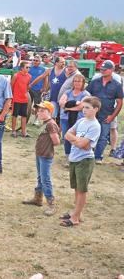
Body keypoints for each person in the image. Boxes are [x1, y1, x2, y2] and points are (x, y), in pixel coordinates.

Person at [61, 96, 101, 227]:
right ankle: (76, 212)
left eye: (88, 108)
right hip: (74, 157)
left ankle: (75, 218)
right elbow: (66, 134)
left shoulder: (95, 126)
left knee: (81, 190)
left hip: (85, 160)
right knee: (76, 188)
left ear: (96, 109)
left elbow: (84, 144)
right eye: (83, 107)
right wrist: (77, 141)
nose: (84, 110)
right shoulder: (81, 121)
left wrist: (77, 140)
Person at [22, 101, 61, 216]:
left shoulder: (50, 124)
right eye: (38, 111)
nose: (39, 113)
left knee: (45, 179)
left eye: (42, 111)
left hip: (45, 155)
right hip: (40, 154)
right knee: (40, 177)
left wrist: (47, 146)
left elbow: (57, 141)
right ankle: (38, 198)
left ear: (50, 112)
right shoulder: (45, 123)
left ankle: (51, 204)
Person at [85, 60, 123, 164]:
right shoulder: (94, 82)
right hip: (93, 115)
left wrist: (112, 116)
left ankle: (98, 157)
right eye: (101, 69)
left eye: (105, 69)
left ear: (112, 70)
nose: (102, 71)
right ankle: (89, 154)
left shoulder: (117, 85)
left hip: (107, 115)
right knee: (90, 135)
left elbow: (119, 103)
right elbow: (87, 95)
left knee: (102, 137)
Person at [59, 75, 90, 163]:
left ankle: (76, 155)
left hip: (78, 120)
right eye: (75, 81)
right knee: (66, 137)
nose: (77, 83)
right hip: (65, 118)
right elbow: (61, 103)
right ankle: (68, 155)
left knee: (76, 138)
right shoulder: (68, 92)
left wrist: (68, 107)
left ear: (83, 83)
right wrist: (73, 103)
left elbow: (81, 107)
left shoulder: (86, 94)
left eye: (79, 81)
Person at [31, 56, 68, 120]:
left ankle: (58, 129)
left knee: (62, 117)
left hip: (63, 97)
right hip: (53, 96)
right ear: (56, 63)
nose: (63, 64)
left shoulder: (66, 71)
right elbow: (41, 77)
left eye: (64, 62)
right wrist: (31, 85)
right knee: (53, 115)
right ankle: (52, 128)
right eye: (61, 62)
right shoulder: (50, 70)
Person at [11, 61, 31, 138]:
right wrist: (11, 96)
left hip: (24, 99)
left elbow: (27, 86)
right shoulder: (16, 76)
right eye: (27, 67)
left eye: (29, 67)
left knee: (24, 115)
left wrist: (26, 93)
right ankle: (13, 131)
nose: (28, 69)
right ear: (22, 68)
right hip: (16, 98)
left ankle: (24, 131)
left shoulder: (29, 76)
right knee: (14, 115)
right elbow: (11, 86)